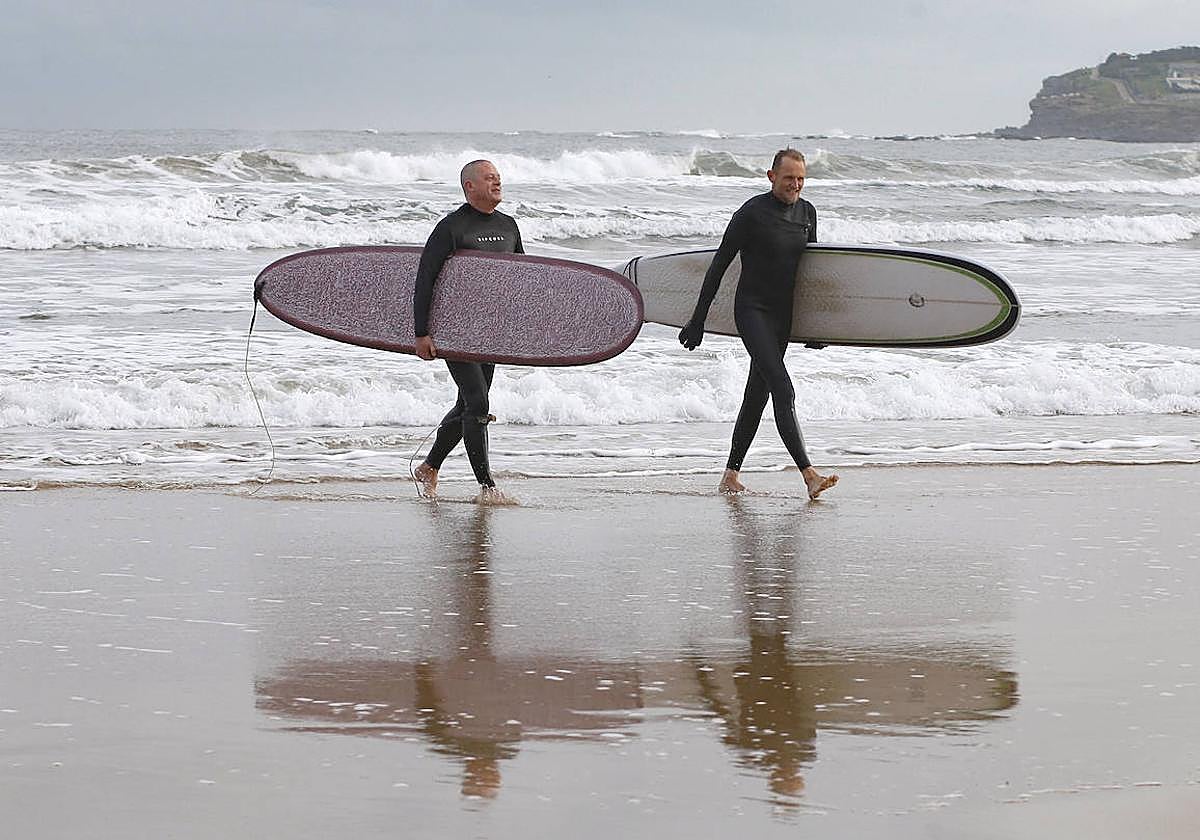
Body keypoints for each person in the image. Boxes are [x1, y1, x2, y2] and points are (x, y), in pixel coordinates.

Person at [678, 149, 838, 500]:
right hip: (753, 311)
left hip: (783, 316)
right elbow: (718, 266)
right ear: (770, 176)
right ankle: (809, 474)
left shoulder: (807, 212)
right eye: (788, 178)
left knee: (757, 394)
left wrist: (817, 328)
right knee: (783, 388)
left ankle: (730, 476)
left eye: (801, 179)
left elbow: (811, 272)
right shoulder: (751, 214)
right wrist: (697, 319)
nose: (795, 185)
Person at [411, 159, 522, 504]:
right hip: (453, 330)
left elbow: (522, 278)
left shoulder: (509, 227)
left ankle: (429, 466)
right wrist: (422, 333)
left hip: (490, 331)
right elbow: (425, 279)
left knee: (466, 405)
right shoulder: (451, 228)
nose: (497, 182)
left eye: (499, 178)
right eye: (489, 178)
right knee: (478, 401)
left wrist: (523, 326)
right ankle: (487, 486)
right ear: (469, 186)